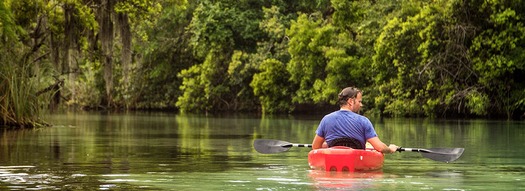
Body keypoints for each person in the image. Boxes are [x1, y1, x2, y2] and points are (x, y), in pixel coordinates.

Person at [312, 87, 399, 154]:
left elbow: (315, 147)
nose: (361, 105)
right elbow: (381, 148)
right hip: (357, 163)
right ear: (350, 101)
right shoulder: (364, 121)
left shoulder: (326, 119)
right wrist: (390, 149)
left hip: (334, 161)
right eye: (359, 101)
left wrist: (331, 146)